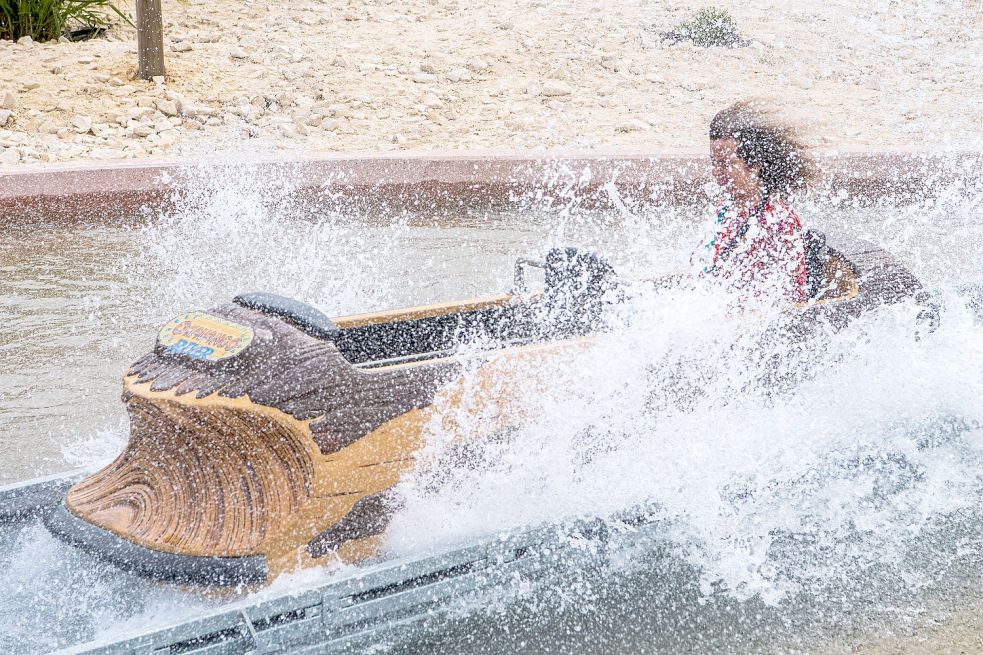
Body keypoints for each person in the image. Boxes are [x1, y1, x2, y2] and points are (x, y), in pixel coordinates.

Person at [691, 101, 816, 305]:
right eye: (714, 162)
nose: (716, 172)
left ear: (755, 165)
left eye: (725, 163)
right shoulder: (725, 209)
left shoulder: (779, 219)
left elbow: (793, 295)